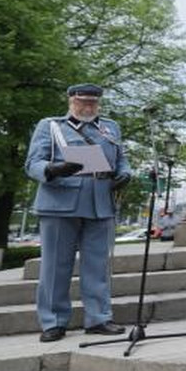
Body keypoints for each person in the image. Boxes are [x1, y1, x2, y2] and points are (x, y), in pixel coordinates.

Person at [23, 84, 133, 342]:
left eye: (93, 103)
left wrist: (126, 173)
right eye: (83, 102)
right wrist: (54, 169)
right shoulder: (50, 126)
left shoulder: (110, 127)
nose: (88, 107)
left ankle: (99, 318)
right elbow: (32, 163)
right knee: (54, 266)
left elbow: (121, 158)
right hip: (60, 201)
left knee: (98, 266)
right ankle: (53, 321)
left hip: (101, 201)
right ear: (71, 101)